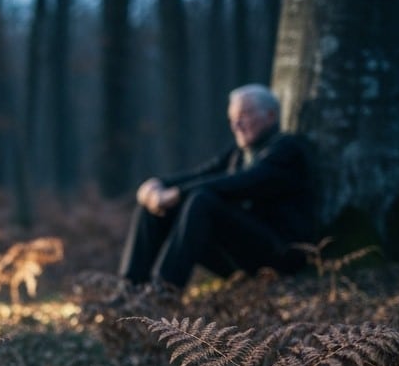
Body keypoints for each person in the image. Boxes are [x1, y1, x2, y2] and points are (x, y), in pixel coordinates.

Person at [116, 84, 317, 295]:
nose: (237, 124)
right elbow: (203, 174)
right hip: (240, 254)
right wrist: (158, 185)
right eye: (232, 118)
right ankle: (129, 292)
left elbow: (244, 182)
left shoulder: (287, 149)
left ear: (270, 115)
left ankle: (164, 294)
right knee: (153, 207)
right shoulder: (238, 153)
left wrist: (177, 193)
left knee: (202, 200)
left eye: (245, 115)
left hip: (278, 255)